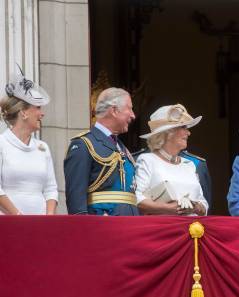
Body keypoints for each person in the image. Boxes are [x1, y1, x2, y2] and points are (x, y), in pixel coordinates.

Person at [64, 87, 138, 215]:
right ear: (114, 110)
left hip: (130, 224)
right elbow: (76, 200)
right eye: (129, 108)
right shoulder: (84, 144)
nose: (133, 115)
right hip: (102, 226)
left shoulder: (121, 147)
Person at [0, 70, 58, 214]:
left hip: (40, 226)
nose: (42, 114)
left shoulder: (42, 147)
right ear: (23, 113)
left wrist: (49, 218)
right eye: (38, 108)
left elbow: (51, 189)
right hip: (9, 224)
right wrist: (18, 217)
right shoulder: (2, 144)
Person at [134, 104, 208, 216]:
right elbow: (138, 200)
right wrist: (168, 208)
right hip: (162, 229)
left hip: (193, 229)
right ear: (168, 133)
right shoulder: (147, 160)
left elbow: (203, 204)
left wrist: (195, 207)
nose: (188, 133)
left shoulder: (189, 165)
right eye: (183, 127)